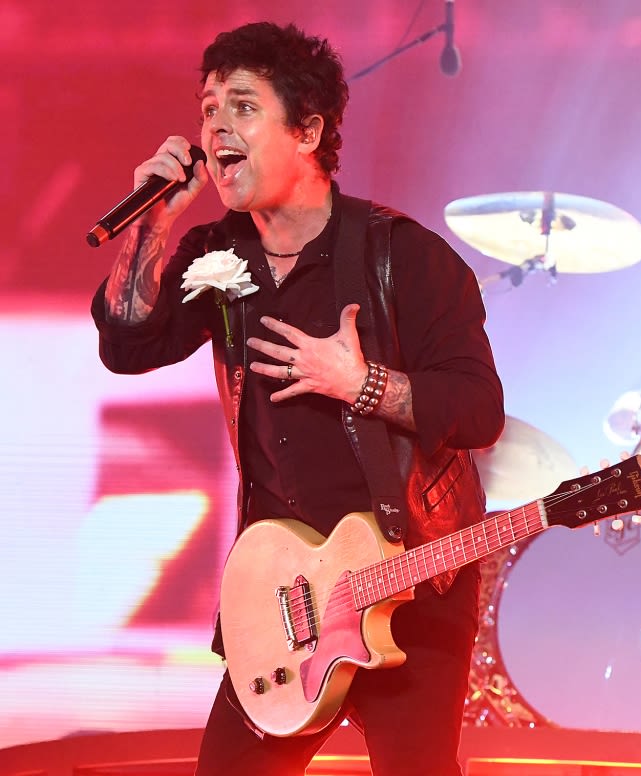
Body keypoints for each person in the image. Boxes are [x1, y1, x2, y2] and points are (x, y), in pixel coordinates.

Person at [91, 21, 504, 776]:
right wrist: (155, 220)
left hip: (408, 587)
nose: (217, 125)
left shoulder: (403, 257)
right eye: (208, 107)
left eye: (242, 106)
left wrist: (365, 384)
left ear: (308, 129)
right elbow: (127, 344)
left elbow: (478, 410)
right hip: (286, 600)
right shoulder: (215, 255)